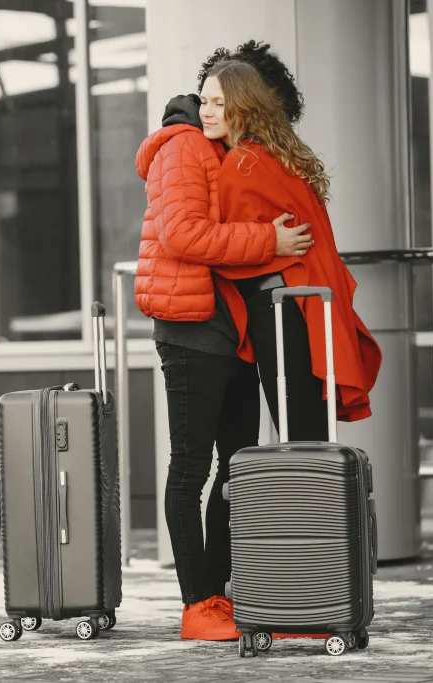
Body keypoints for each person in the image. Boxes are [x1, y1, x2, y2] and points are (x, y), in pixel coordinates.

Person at [134, 43, 314, 642]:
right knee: (192, 470)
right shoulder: (184, 146)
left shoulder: (223, 150)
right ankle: (197, 603)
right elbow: (184, 236)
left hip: (230, 332)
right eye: (209, 99)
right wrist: (269, 242)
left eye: (223, 102)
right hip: (191, 331)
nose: (215, 110)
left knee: (237, 466)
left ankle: (222, 592)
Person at [199, 58, 382, 443]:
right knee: (313, 436)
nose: (207, 112)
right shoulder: (279, 157)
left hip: (280, 310)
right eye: (204, 101)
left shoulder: (241, 163)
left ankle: (310, 503)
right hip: (307, 307)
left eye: (219, 103)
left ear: (244, 106)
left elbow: (225, 249)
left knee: (299, 439)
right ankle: (327, 502)